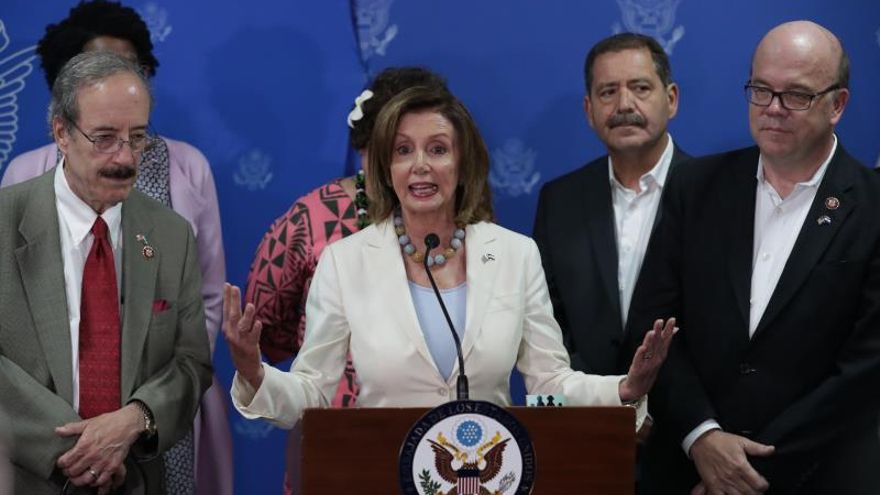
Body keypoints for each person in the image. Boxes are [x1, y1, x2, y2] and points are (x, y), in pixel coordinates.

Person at [224, 84, 676, 433]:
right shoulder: (345, 262)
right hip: (380, 470)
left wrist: (624, 388)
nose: (420, 165)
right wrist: (254, 373)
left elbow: (550, 384)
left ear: (463, 164)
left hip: (491, 472)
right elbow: (313, 392)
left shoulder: (516, 255)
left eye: (437, 149)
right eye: (403, 151)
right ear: (386, 169)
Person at [627, 20, 880, 494]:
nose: (774, 109)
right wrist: (702, 438)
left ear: (838, 105)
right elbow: (653, 325)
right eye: (761, 90)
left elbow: (867, 368)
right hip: (688, 470)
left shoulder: (872, 206)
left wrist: (747, 471)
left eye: (797, 95)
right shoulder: (696, 187)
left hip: (822, 473)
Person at [0, 2, 231, 493]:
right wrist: (81, 451)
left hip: (139, 474)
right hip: (24, 475)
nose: (125, 159)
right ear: (61, 132)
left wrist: (134, 421)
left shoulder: (171, 234)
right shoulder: (5, 220)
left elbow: (191, 363)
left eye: (137, 138)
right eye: (104, 139)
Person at [244, 66, 448, 493]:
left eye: (430, 149)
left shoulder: (467, 225)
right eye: (394, 150)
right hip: (337, 446)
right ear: (363, 146)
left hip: (445, 449)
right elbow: (266, 330)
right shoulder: (309, 219)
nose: (412, 167)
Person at [534, 32, 689, 377]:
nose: (624, 105)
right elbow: (547, 323)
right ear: (589, 110)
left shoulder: (713, 192)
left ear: (672, 99)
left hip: (690, 423)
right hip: (590, 415)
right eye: (608, 92)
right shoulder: (560, 201)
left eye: (640, 88)